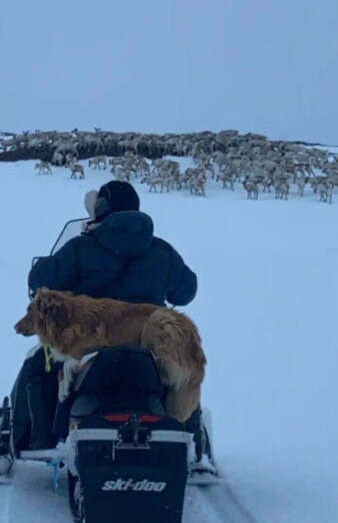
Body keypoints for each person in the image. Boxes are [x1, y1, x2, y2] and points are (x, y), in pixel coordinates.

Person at [11, 180, 198, 451]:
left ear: (101, 209)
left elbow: (40, 278)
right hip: (147, 345)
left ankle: (41, 440)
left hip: (91, 344)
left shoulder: (80, 247)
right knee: (183, 369)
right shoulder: (161, 250)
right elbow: (186, 292)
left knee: (40, 365)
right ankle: (187, 438)